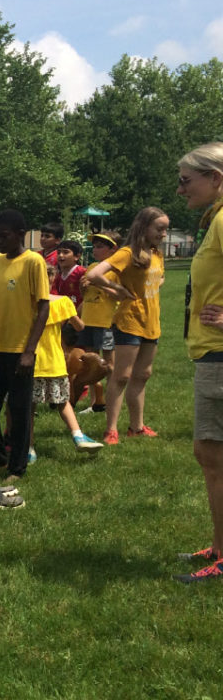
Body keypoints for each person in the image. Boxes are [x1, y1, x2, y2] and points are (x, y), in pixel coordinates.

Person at [173, 143, 223, 584]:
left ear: (216, 179)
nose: (180, 188)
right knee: (211, 452)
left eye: (187, 180)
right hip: (212, 354)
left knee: (213, 453)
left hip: (221, 355)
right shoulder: (216, 221)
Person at [0, 209, 51, 486]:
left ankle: (17, 467)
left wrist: (29, 350)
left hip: (20, 349)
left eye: (3, 236)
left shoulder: (34, 262)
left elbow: (43, 307)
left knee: (19, 411)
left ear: (21, 234)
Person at [88, 204, 169, 444]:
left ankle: (137, 426)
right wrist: (118, 288)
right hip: (130, 320)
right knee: (122, 376)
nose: (163, 234)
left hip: (151, 321)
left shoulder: (156, 254)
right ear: (144, 226)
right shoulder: (127, 253)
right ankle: (111, 429)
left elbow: (160, 277)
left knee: (143, 374)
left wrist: (150, 287)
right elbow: (94, 275)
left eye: (166, 230)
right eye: (160, 229)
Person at [33, 286, 105, 453]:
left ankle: (29, 449)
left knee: (30, 406)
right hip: (55, 362)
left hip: (33, 361)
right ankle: (78, 436)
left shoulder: (25, 302)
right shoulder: (63, 302)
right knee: (63, 402)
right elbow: (79, 326)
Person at [78, 229, 121, 413]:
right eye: (94, 246)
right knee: (92, 363)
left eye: (100, 246)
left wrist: (98, 283)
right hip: (88, 320)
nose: (95, 250)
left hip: (106, 322)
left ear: (113, 250)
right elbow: (86, 294)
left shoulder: (116, 269)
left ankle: (112, 399)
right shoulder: (92, 267)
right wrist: (82, 287)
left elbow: (120, 294)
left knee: (109, 364)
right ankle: (96, 402)